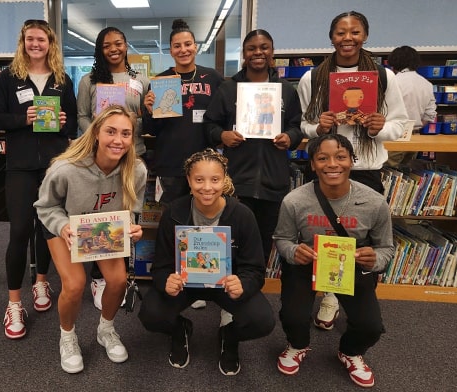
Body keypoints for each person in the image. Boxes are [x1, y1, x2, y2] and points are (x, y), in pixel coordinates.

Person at [297, 11, 407, 331]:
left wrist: (379, 128)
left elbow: (400, 123)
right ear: (331, 37)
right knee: (320, 234)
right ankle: (327, 290)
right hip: (323, 168)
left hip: (365, 168)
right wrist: (319, 127)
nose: (348, 38)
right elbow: (302, 125)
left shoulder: (384, 77)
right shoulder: (313, 77)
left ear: (365, 35)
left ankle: (346, 301)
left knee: (361, 241)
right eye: (341, 32)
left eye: (355, 31)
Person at [138, 148, 275, 376]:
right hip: (185, 284)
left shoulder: (242, 215)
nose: (207, 187)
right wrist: (165, 281)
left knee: (262, 321)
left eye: (215, 179)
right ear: (189, 181)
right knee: (151, 314)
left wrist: (244, 283)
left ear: (224, 180)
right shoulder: (173, 212)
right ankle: (180, 329)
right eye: (199, 180)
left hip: (226, 286)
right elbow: (160, 265)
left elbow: (255, 268)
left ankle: (229, 336)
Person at [273, 133, 394, 388]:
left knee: (371, 327)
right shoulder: (294, 201)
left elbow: (386, 249)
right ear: (313, 164)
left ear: (352, 161)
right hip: (308, 263)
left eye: (341, 157)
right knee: (292, 317)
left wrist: (374, 260)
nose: (332, 164)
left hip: (351, 264)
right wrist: (294, 252)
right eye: (323, 158)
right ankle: (298, 345)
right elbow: (282, 239)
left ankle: (350, 352)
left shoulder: (374, 202)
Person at [34, 105, 147, 374]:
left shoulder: (137, 170)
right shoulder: (66, 168)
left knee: (118, 281)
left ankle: (105, 329)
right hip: (65, 224)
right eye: (110, 132)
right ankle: (68, 336)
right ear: (96, 133)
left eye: (126, 134)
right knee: (74, 284)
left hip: (102, 228)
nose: (118, 140)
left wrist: (133, 227)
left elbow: (132, 208)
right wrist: (62, 227)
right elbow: (45, 207)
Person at [0, 19, 78, 339]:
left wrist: (66, 122)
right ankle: (14, 302)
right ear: (23, 42)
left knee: (48, 230)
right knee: (19, 231)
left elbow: (71, 126)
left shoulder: (61, 79)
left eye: (41, 39)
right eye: (30, 39)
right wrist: (21, 118)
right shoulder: (7, 79)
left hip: (53, 167)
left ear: (50, 43)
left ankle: (41, 282)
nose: (35, 44)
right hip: (20, 166)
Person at [142, 18, 224, 310]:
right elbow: (152, 128)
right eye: (177, 45)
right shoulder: (161, 80)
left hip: (205, 167)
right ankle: (177, 277)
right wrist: (150, 109)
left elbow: (222, 119)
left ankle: (200, 277)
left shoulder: (213, 78)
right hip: (170, 164)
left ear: (196, 46)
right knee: (174, 224)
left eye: (188, 44)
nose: (183, 49)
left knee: (203, 222)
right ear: (171, 49)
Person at [204, 29, 304, 262]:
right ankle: (228, 291)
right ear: (244, 54)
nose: (258, 52)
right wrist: (223, 135)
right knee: (231, 241)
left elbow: (297, 126)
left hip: (273, 181)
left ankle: (251, 291)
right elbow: (209, 126)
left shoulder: (286, 89)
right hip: (236, 181)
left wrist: (290, 137)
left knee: (262, 243)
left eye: (264, 47)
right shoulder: (228, 89)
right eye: (252, 48)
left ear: (272, 52)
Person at [77, 26, 150, 310]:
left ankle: (119, 273)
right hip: (99, 159)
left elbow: (147, 120)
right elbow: (82, 116)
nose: (113, 49)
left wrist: (133, 126)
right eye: (107, 45)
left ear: (125, 45)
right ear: (100, 49)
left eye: (118, 43)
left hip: (134, 155)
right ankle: (98, 276)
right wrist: (99, 135)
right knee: (101, 212)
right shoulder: (89, 81)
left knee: (127, 212)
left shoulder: (140, 80)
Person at [385, 45, 437, 167]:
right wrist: (413, 126)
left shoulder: (392, 82)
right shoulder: (427, 84)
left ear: (394, 62)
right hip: (415, 137)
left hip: (395, 135)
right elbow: (430, 115)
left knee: (388, 174)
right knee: (407, 175)